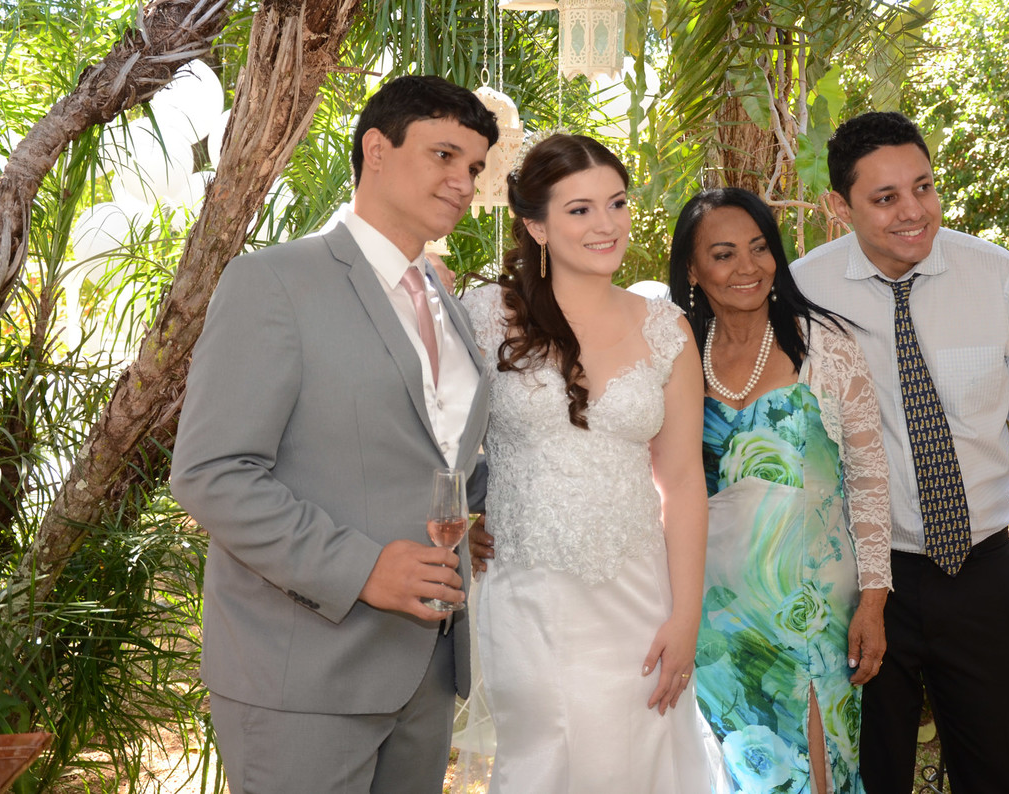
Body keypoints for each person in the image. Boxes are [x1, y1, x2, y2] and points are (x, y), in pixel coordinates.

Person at [170, 75, 498, 793]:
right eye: (444, 155)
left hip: (427, 672)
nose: (464, 182)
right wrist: (363, 568)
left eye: (474, 167)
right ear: (376, 150)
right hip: (302, 674)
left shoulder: (445, 301)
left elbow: (440, 456)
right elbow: (211, 473)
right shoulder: (273, 282)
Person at [792, 111, 1009, 794]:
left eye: (923, 187)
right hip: (858, 584)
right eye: (886, 197)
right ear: (839, 207)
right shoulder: (803, 294)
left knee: (1005, 775)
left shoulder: (998, 278)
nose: (913, 211)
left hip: (984, 573)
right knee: (869, 777)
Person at [461, 134, 710, 792]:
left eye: (617, 203)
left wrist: (685, 617)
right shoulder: (485, 315)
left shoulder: (667, 329)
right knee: (544, 761)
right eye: (580, 209)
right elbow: (432, 439)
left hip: (640, 601)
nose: (607, 224)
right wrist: (465, 517)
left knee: (639, 765)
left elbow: (684, 482)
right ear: (536, 225)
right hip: (529, 599)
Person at [668, 187, 892, 794]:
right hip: (710, 616)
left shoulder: (827, 349)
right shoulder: (675, 357)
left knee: (813, 773)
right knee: (731, 774)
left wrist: (873, 602)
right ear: (693, 269)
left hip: (811, 610)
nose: (748, 266)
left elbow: (870, 482)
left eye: (760, 247)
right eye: (723, 254)